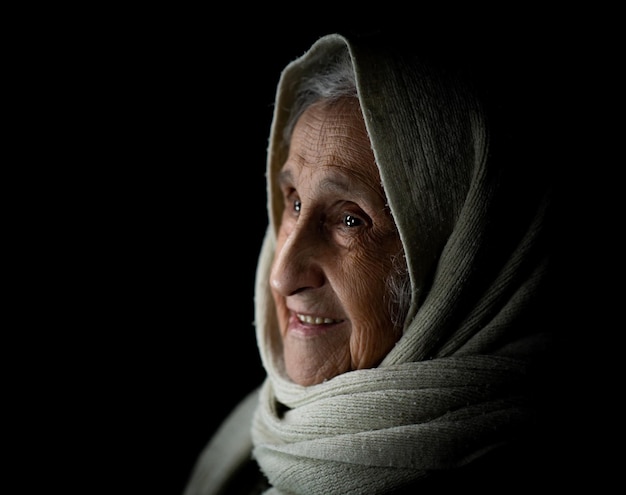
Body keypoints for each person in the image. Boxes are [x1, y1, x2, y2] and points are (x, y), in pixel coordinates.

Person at [183, 30, 559, 494]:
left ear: (459, 254)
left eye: (348, 219)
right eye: (294, 203)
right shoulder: (256, 432)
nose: (282, 276)